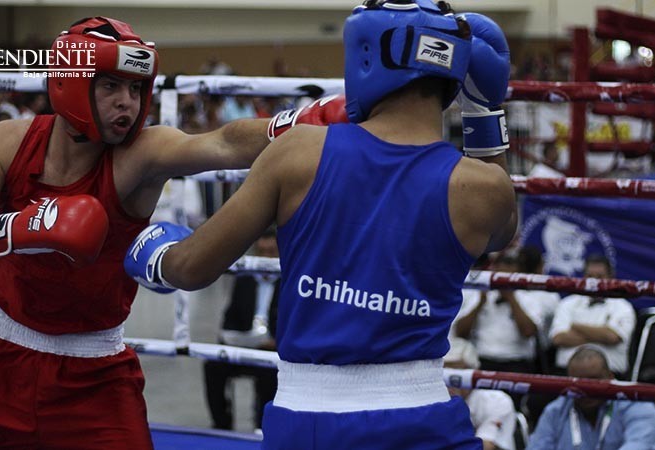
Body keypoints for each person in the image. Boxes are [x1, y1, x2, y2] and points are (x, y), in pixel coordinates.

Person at [0, 17, 346, 449]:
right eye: (111, 87)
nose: (127, 102)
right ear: (71, 82)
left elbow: (224, 143)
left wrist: (303, 120)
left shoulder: (139, 155)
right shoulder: (8, 141)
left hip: (95, 375)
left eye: (136, 89)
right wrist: (18, 227)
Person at [126, 1, 518, 448]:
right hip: (427, 413)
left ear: (365, 55)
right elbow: (503, 231)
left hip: (311, 418)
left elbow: (191, 268)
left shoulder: (299, 152)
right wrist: (484, 110)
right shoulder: (485, 187)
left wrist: (152, 254)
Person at [204, 228, 279, 431]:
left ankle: (263, 427)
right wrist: (234, 338)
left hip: (274, 350)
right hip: (245, 348)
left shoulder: (290, 282)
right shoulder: (244, 279)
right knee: (213, 365)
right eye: (263, 251)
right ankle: (221, 426)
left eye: (271, 251)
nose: (266, 253)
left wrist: (276, 342)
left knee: (269, 370)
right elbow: (229, 322)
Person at [528, 346, 655, 450]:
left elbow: (641, 445)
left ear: (610, 378)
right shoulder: (555, 411)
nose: (587, 389)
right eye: (579, 382)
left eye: (594, 381)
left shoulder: (637, 406)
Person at [454, 253, 542, 375]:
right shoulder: (479, 296)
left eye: (510, 265)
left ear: (518, 271)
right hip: (482, 360)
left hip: (517, 363)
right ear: (494, 269)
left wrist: (511, 298)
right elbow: (460, 333)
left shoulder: (530, 298)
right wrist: (479, 305)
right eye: (500, 265)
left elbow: (529, 332)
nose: (505, 271)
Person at [550, 255, 636, 376]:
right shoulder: (567, 303)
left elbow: (612, 337)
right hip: (566, 374)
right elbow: (559, 338)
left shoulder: (623, 307)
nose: (594, 282)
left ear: (611, 278)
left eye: (600, 277)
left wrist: (575, 326)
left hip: (610, 375)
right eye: (590, 276)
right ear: (583, 277)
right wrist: (600, 335)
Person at [445, 337, 518, 450]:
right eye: (444, 373)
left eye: (457, 374)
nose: (450, 382)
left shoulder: (497, 401)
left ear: (474, 372)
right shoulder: (426, 403)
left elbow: (485, 447)